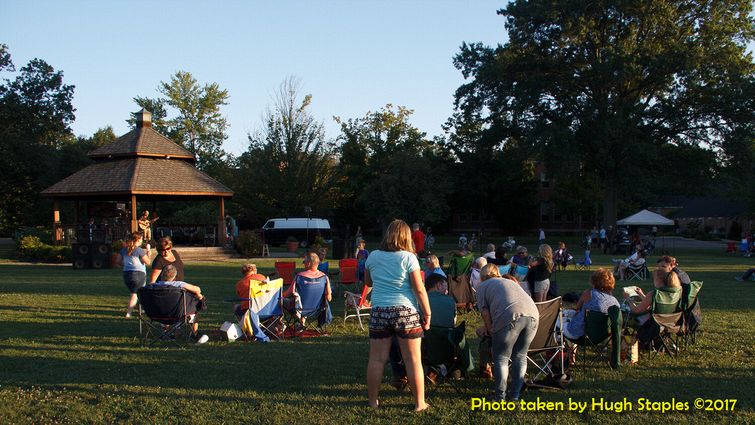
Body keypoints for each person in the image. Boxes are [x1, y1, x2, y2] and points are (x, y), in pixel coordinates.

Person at [364, 219, 431, 412]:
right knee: (413, 360)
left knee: (376, 359)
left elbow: (368, 281)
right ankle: (419, 403)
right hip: (405, 311)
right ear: (407, 237)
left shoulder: (373, 256)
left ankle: (373, 402)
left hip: (379, 311)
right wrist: (427, 312)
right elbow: (419, 289)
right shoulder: (409, 258)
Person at [476, 263, 539, 402]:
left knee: (501, 358)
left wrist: (491, 331)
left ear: (482, 277)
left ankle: (500, 396)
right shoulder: (509, 281)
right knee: (521, 356)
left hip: (510, 316)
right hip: (533, 314)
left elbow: (485, 313)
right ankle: (515, 395)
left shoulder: (482, 287)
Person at [389, 273, 456, 389]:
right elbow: (452, 324)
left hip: (423, 349)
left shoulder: (416, 302)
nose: (447, 290)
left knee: (393, 339)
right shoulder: (451, 301)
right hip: (448, 348)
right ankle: (433, 371)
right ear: (439, 285)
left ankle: (400, 374)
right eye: (445, 286)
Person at [153, 264, 209, 344]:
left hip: (157, 314)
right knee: (195, 305)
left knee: (164, 306)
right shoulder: (178, 284)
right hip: (178, 314)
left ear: (161, 275)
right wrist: (199, 295)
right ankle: (194, 334)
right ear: (174, 276)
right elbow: (197, 289)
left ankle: (167, 333)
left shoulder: (153, 287)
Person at [563, 268, 620, 340]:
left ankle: (555, 348)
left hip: (579, 333)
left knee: (557, 321)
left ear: (594, 281)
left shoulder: (589, 293)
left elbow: (577, 308)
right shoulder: (614, 301)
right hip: (601, 336)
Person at [283, 252, 332, 327]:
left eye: (304, 261)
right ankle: (302, 321)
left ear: (309, 263)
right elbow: (329, 298)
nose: (303, 264)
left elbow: (289, 293)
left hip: (300, 309)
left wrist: (279, 295)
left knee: (281, 301)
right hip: (317, 310)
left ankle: (277, 324)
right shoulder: (325, 277)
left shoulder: (299, 277)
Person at [116, 233, 151, 318]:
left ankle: (140, 309)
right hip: (138, 274)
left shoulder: (124, 250)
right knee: (135, 294)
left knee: (136, 292)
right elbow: (148, 262)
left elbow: (117, 261)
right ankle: (129, 313)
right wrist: (148, 251)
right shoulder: (139, 250)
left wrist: (125, 265)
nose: (142, 241)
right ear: (138, 240)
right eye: (141, 239)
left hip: (127, 274)